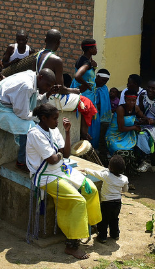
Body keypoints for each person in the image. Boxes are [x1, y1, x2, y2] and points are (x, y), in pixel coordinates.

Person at [25, 103, 101, 259]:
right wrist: (58, 155)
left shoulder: (54, 130)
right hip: (45, 176)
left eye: (57, 118)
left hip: (62, 169)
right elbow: (52, 160)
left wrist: (67, 132)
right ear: (44, 118)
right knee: (77, 201)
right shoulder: (35, 133)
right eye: (54, 118)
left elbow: (65, 154)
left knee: (91, 189)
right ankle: (72, 245)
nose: (57, 122)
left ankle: (91, 225)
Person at [0, 68, 60, 168]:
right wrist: (39, 117)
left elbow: (33, 102)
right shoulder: (26, 86)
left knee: (37, 122)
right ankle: (22, 161)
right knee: (29, 126)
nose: (48, 88)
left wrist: (48, 94)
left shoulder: (33, 78)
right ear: (40, 77)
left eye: (51, 87)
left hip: (8, 106)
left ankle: (35, 156)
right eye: (48, 85)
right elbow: (23, 114)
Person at [85, 155, 128, 244]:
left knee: (104, 220)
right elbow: (125, 190)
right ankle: (115, 234)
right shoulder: (124, 179)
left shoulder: (106, 175)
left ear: (110, 168)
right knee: (114, 219)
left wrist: (86, 170)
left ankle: (102, 237)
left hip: (106, 202)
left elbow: (95, 173)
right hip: (117, 202)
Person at [106, 87, 147, 169]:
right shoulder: (120, 109)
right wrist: (135, 127)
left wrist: (146, 120)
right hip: (115, 135)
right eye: (129, 100)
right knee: (118, 149)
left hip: (128, 133)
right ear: (125, 99)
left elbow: (143, 116)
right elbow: (121, 128)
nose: (131, 103)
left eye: (134, 100)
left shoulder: (136, 108)